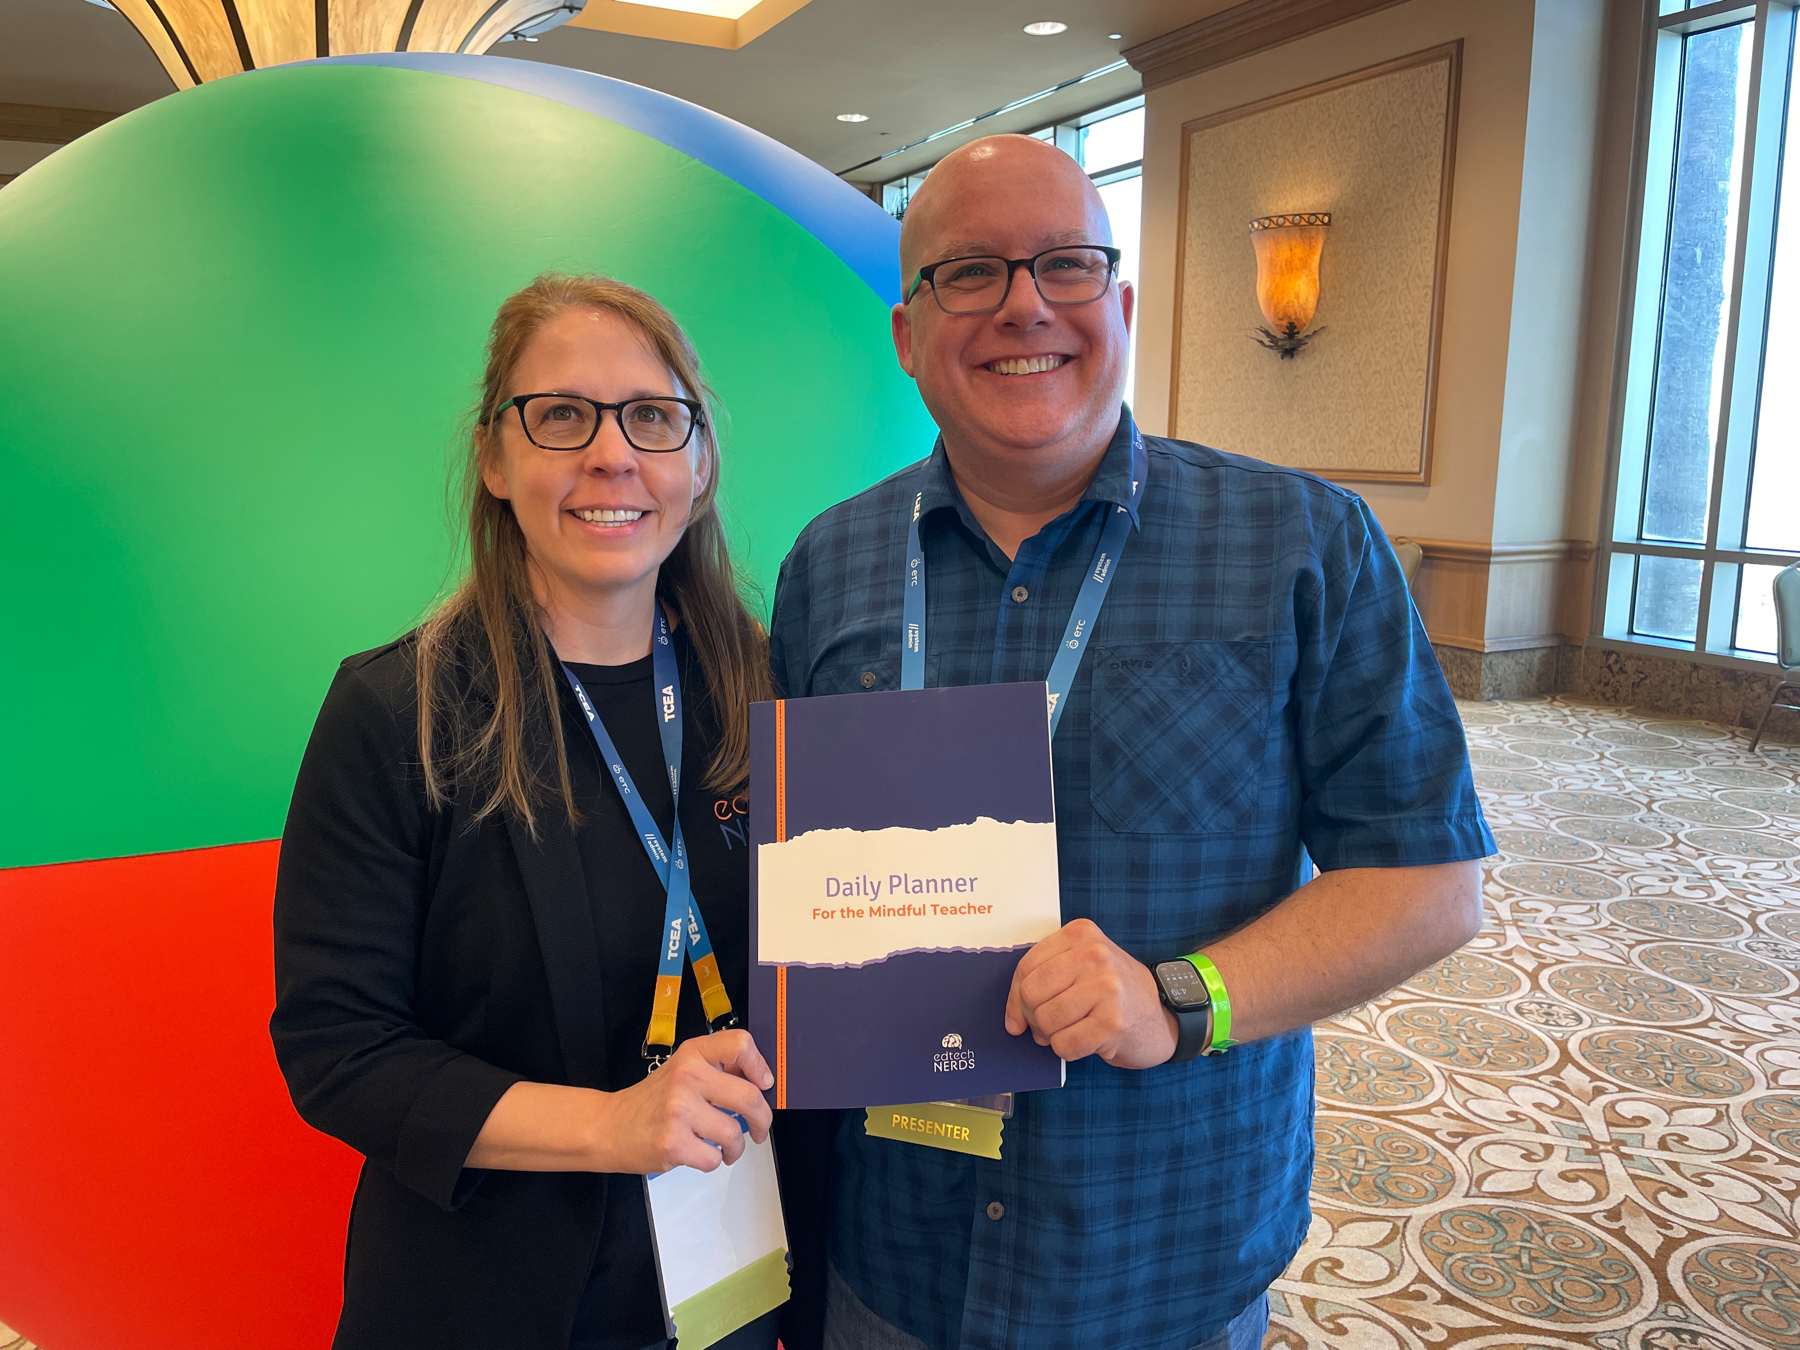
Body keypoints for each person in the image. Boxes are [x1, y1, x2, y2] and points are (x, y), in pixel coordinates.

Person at [768, 135, 1495, 1350]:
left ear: (1121, 303)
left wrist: (1179, 998)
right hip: (897, 1249)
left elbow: (1430, 882)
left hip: (1158, 1253)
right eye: (969, 274)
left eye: (1064, 264)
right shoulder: (827, 564)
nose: (1022, 307)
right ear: (905, 333)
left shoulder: (1305, 543)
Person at [272, 274, 787, 1350]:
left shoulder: (770, 695)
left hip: (731, 1288)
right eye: (562, 417)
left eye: (652, 417)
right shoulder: (396, 710)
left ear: (698, 462)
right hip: (482, 1300)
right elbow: (339, 1051)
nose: (613, 456)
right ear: (497, 461)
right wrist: (613, 1124)